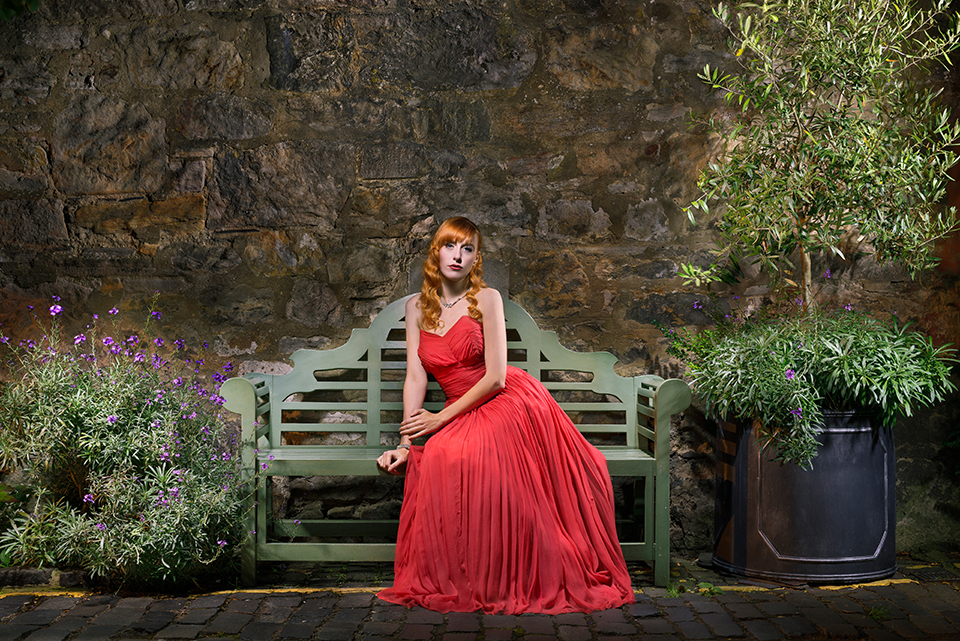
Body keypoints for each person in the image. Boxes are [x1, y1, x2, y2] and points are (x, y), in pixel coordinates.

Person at [376, 216, 635, 614]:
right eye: (450, 246)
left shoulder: (487, 299)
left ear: (476, 259)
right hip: (458, 407)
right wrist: (407, 443)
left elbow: (495, 378)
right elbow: (416, 376)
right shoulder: (416, 308)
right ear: (436, 252)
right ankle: (469, 575)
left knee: (459, 455)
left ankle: (507, 573)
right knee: (442, 456)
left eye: (468, 249)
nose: (458, 257)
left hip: (505, 400)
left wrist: (437, 422)